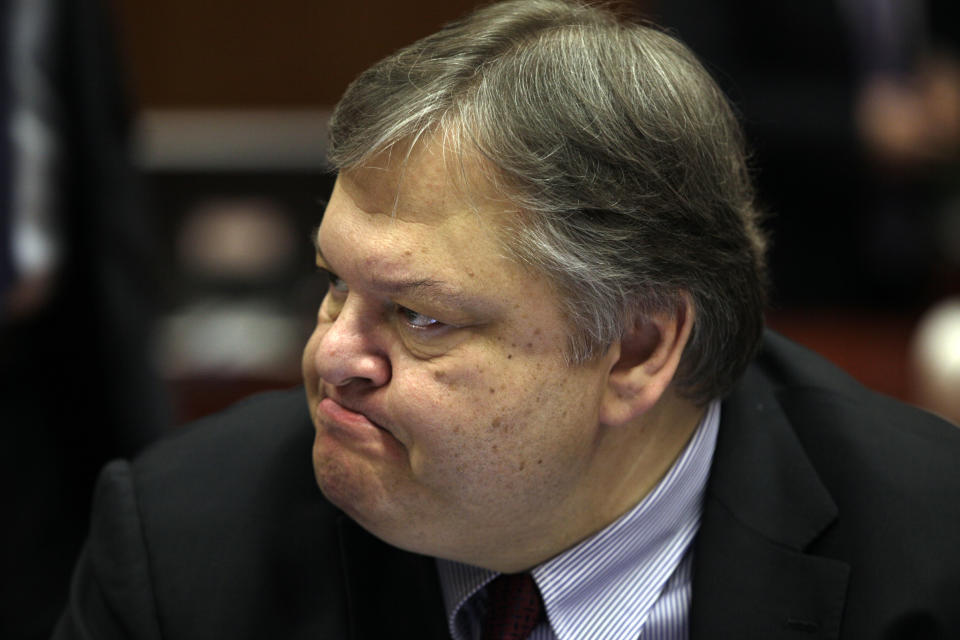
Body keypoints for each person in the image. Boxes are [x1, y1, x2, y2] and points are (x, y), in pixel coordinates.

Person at [54, 1, 960, 638]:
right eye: (334, 285)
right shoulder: (182, 537)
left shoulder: (927, 556)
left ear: (637, 350)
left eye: (418, 317)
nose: (333, 354)